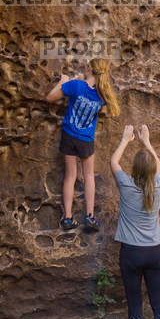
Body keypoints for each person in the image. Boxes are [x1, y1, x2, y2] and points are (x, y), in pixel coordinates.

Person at [110, 124, 160, 319]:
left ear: (134, 169)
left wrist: (126, 139)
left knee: (135, 304)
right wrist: (147, 142)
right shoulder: (157, 184)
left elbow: (113, 162)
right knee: (158, 303)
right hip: (154, 251)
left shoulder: (126, 185)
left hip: (131, 253)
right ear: (153, 170)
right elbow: (158, 165)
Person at [45, 58, 120, 231]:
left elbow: (50, 98)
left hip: (69, 135)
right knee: (89, 176)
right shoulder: (102, 94)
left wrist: (64, 81)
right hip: (86, 139)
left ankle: (68, 218)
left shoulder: (76, 86)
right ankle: (89, 217)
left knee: (70, 176)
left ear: (89, 69)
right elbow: (104, 110)